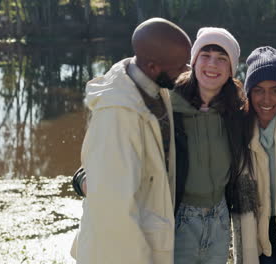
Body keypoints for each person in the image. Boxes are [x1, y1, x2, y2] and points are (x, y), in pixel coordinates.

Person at [71, 17, 191, 264]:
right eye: (179, 65)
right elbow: (114, 211)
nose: (186, 70)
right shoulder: (117, 115)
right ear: (153, 66)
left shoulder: (151, 86)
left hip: (152, 238)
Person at [170, 27, 246, 264]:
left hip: (220, 216)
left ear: (231, 69)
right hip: (179, 217)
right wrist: (86, 178)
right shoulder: (166, 108)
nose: (213, 64)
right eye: (206, 55)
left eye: (222, 58)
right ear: (193, 61)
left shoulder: (237, 111)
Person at [229, 46, 276, 264]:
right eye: (258, 90)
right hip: (253, 227)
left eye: (275, 90)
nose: (267, 99)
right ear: (249, 91)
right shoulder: (238, 129)